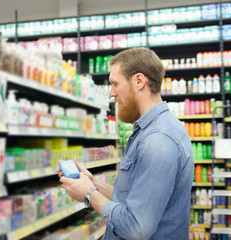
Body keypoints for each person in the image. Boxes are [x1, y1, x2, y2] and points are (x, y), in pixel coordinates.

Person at [57, 47, 194, 240]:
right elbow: (133, 198)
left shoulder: (158, 140)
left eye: (115, 84)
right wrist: (92, 182)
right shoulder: (149, 131)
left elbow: (136, 228)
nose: (112, 93)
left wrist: (88, 194)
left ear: (139, 81)